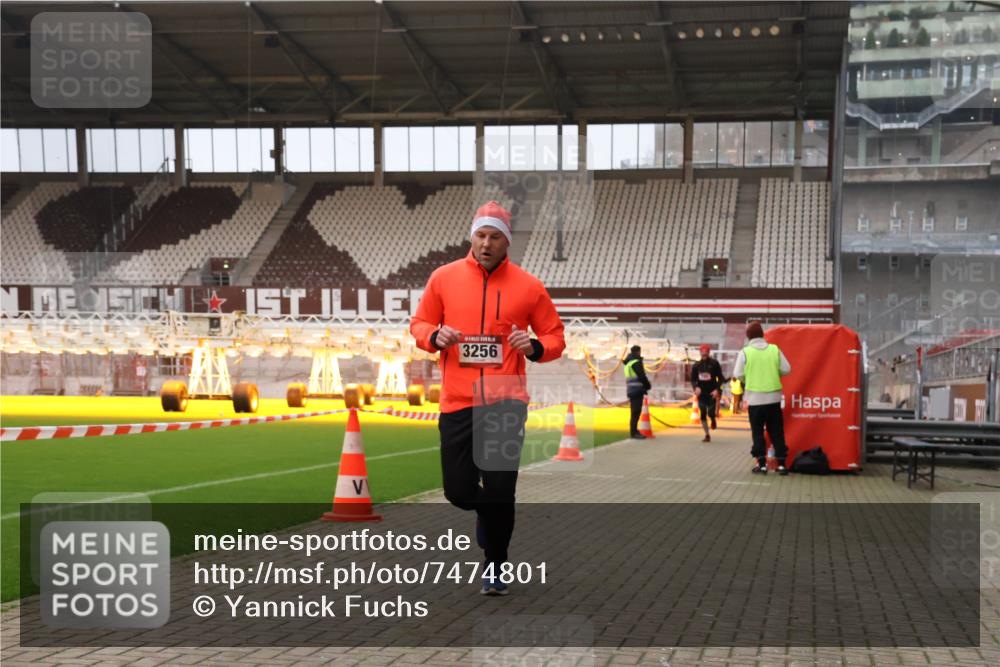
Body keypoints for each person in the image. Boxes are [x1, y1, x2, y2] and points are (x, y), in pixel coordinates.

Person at [410, 200, 566, 596]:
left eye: (495, 236)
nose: (486, 243)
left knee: (500, 490)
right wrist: (434, 336)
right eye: (480, 235)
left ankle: (495, 565)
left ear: (506, 241)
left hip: (504, 401)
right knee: (459, 491)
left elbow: (555, 338)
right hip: (458, 399)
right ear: (472, 237)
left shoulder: (529, 286)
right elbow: (420, 322)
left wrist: (532, 346)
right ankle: (485, 512)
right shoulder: (443, 278)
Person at [732, 320, 792, 475]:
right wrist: (774, 372)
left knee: (757, 432)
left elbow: (738, 374)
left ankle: (762, 464)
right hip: (773, 399)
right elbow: (787, 369)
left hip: (755, 399)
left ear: (748, 336)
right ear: (762, 334)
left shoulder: (745, 352)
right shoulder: (774, 349)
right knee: (776, 431)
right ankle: (782, 464)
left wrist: (749, 379)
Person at [690, 344, 724, 442]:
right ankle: (707, 434)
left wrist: (717, 390)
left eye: (706, 353)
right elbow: (692, 379)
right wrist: (695, 388)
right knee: (703, 413)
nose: (704, 355)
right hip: (701, 393)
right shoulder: (697, 365)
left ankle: (713, 419)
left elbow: (720, 378)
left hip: (711, 392)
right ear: (700, 353)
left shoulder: (714, 363)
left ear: (708, 353)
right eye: (702, 353)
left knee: (710, 412)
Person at [623, 345, 652, 439]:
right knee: (636, 412)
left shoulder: (628, 363)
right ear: (638, 352)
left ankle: (634, 431)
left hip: (631, 389)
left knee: (634, 412)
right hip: (637, 390)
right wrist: (647, 386)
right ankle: (634, 432)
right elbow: (642, 376)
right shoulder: (636, 362)